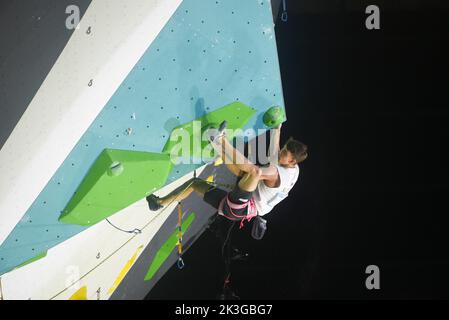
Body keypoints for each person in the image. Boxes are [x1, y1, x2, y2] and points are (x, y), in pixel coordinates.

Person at [146, 121, 308, 226]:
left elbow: (256, 170)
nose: (282, 152)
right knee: (195, 183)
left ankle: (219, 140)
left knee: (253, 171)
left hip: (241, 207)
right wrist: (277, 128)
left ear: (293, 161)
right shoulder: (294, 169)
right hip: (243, 206)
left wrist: (224, 140)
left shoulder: (277, 172)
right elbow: (274, 154)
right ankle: (158, 203)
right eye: (285, 148)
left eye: (286, 153)